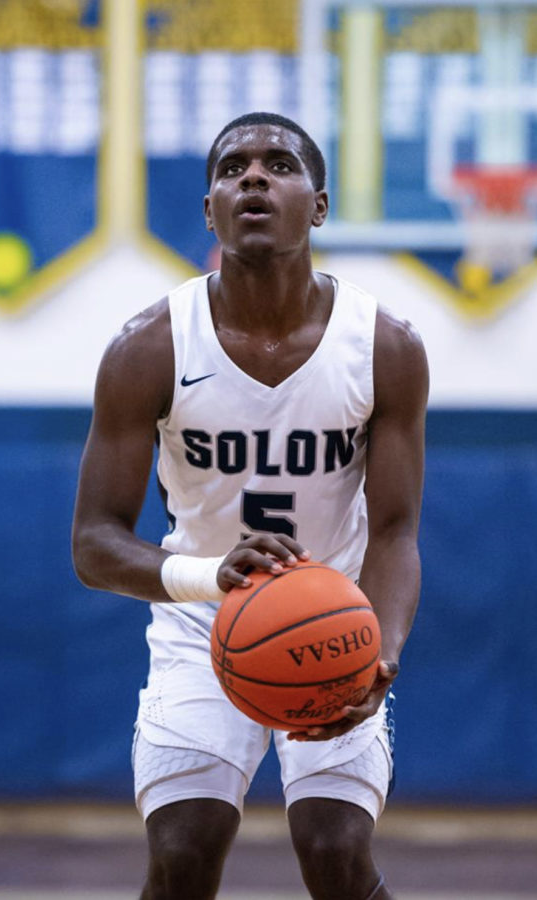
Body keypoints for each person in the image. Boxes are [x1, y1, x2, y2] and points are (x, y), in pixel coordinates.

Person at [72, 111, 428, 900]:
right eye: (234, 168)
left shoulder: (385, 346)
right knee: (183, 850)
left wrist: (383, 652)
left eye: (279, 164)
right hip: (202, 621)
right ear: (210, 211)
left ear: (320, 204)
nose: (255, 177)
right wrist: (210, 577)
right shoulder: (149, 347)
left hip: (335, 618)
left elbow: (398, 530)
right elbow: (94, 544)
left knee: (335, 854)